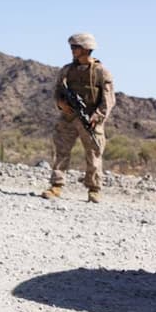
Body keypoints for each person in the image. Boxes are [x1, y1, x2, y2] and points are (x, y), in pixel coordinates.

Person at [42, 33, 116, 203]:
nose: (72, 50)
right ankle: (56, 186)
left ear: (86, 49)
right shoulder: (67, 70)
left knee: (94, 155)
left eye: (75, 47)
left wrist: (98, 116)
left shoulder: (101, 72)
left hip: (90, 120)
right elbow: (58, 91)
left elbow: (108, 99)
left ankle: (94, 189)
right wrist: (61, 103)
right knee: (61, 152)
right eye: (72, 47)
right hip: (68, 118)